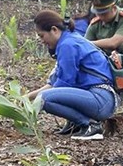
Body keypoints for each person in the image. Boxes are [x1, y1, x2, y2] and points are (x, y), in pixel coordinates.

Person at [26, 10, 118, 140]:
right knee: (43, 98)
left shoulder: (67, 45)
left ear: (54, 30)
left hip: (100, 99)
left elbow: (63, 84)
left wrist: (33, 101)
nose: (42, 41)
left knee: (44, 99)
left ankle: (90, 125)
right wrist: (26, 98)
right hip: (100, 99)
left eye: (42, 36)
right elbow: (54, 83)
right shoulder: (69, 39)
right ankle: (77, 124)